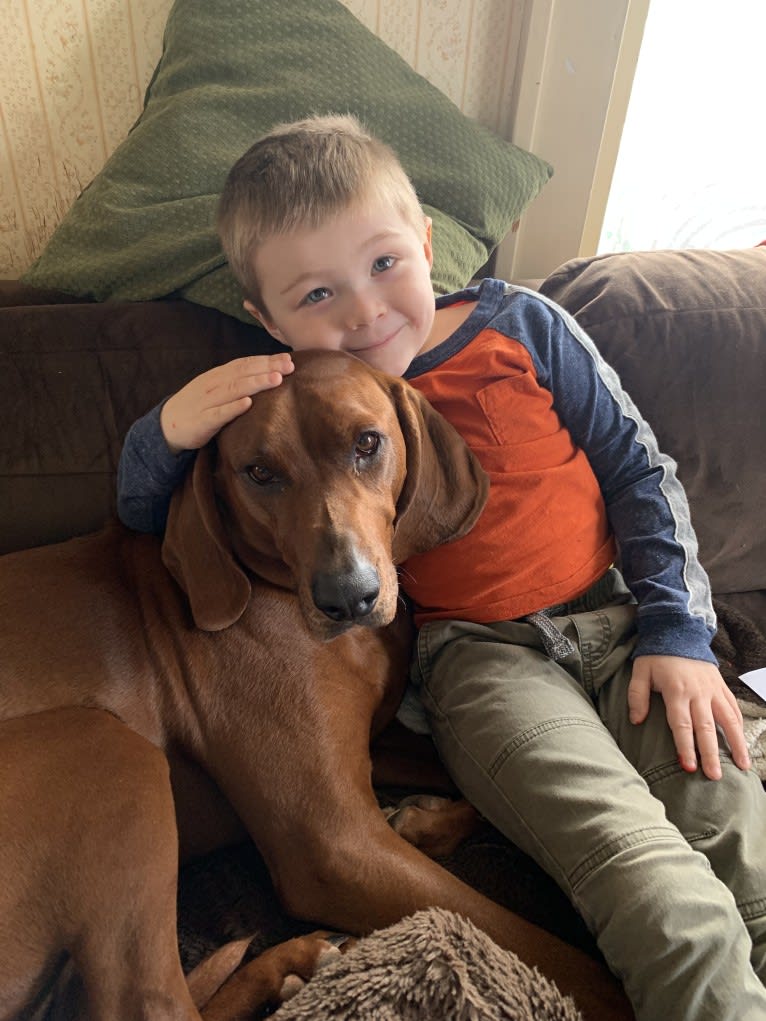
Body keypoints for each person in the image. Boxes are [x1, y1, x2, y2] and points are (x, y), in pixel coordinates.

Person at [117, 114, 766, 1020]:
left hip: (622, 622)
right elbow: (146, 509)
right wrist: (166, 429)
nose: (365, 311)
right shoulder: (260, 406)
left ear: (427, 243)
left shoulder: (524, 325)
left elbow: (636, 464)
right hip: (481, 660)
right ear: (266, 321)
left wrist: (679, 628)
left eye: (385, 263)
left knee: (743, 840)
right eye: (318, 295)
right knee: (650, 878)